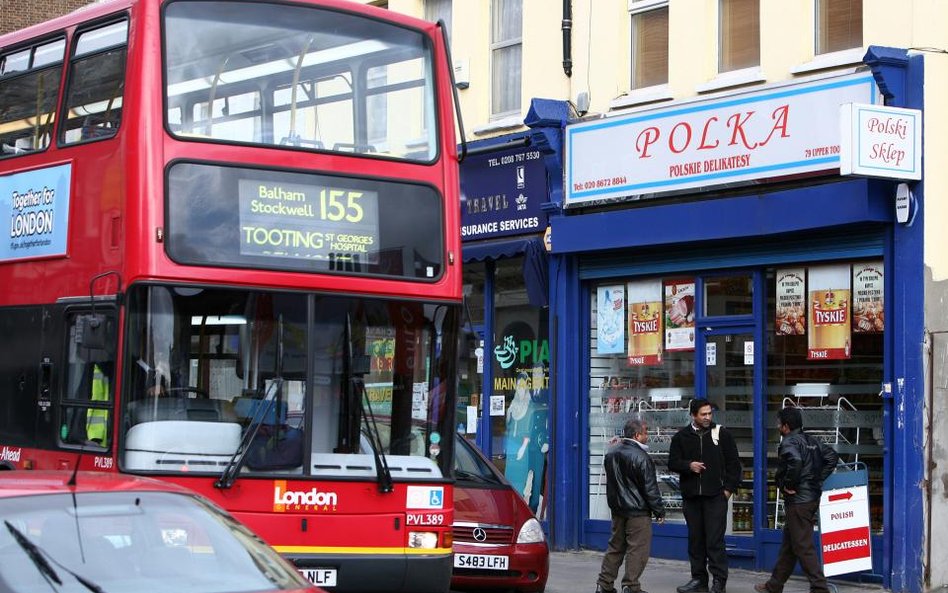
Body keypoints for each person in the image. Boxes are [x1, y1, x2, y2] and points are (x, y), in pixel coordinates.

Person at [755, 406, 839, 593]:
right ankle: (774, 585)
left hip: (799, 501)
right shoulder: (812, 441)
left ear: (785, 426)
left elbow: (796, 461)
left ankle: (819, 588)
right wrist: (816, 478)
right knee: (789, 545)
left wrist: (789, 484)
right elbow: (832, 456)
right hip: (809, 498)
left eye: (779, 423)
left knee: (802, 546)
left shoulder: (789, 442)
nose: (777, 426)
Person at [668, 399, 742, 593]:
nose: (708, 417)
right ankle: (698, 580)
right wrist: (688, 466)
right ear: (693, 415)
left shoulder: (722, 434)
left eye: (709, 413)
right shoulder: (681, 437)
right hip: (692, 497)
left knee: (714, 541)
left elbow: (734, 465)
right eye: (703, 414)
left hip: (715, 497)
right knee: (696, 540)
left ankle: (719, 581)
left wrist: (727, 491)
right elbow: (672, 462)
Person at [595, 418, 665, 593]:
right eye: (645, 432)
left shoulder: (611, 453)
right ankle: (631, 585)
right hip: (638, 511)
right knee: (637, 549)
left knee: (615, 547)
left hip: (618, 509)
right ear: (637, 435)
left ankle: (604, 584)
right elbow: (650, 488)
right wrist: (659, 511)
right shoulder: (642, 457)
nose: (647, 436)